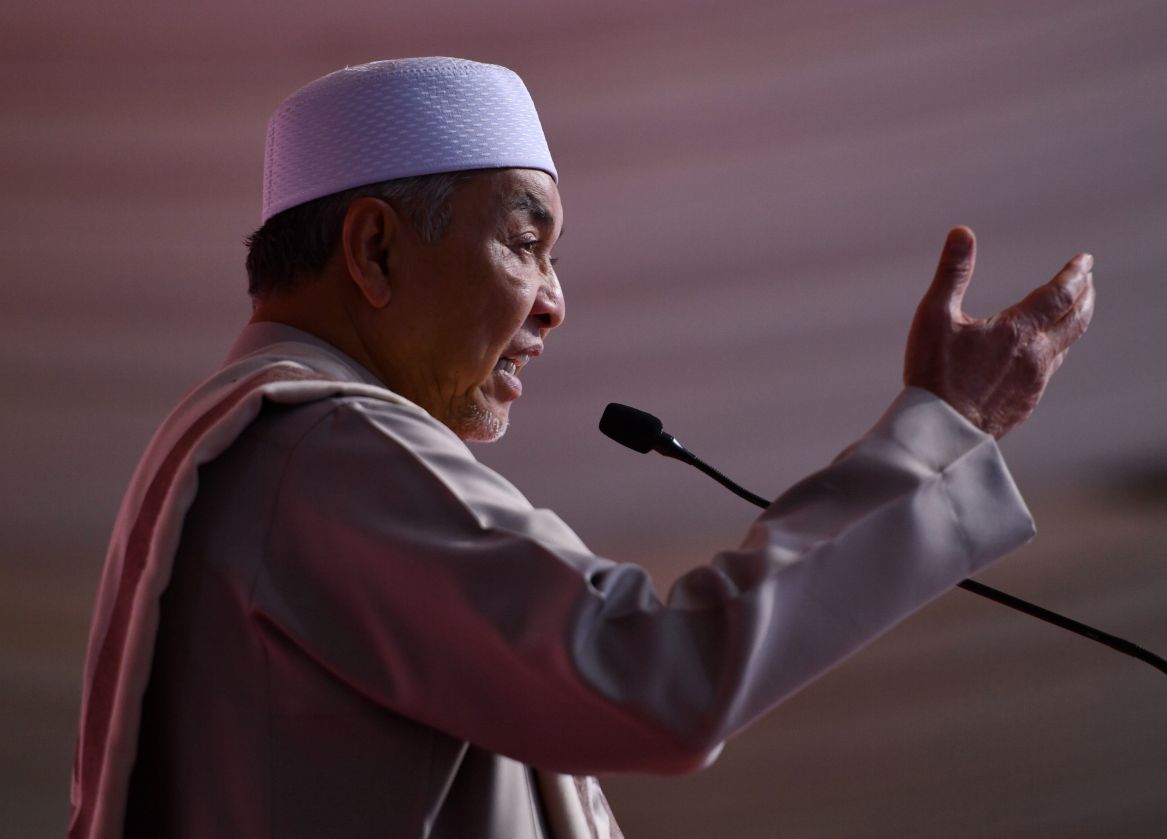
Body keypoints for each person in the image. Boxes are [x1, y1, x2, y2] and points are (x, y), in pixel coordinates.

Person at [68, 57, 1095, 839]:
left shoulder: (251, 446)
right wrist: (942, 431)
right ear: (374, 249)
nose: (555, 303)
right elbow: (655, 678)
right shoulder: (320, 446)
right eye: (526, 243)